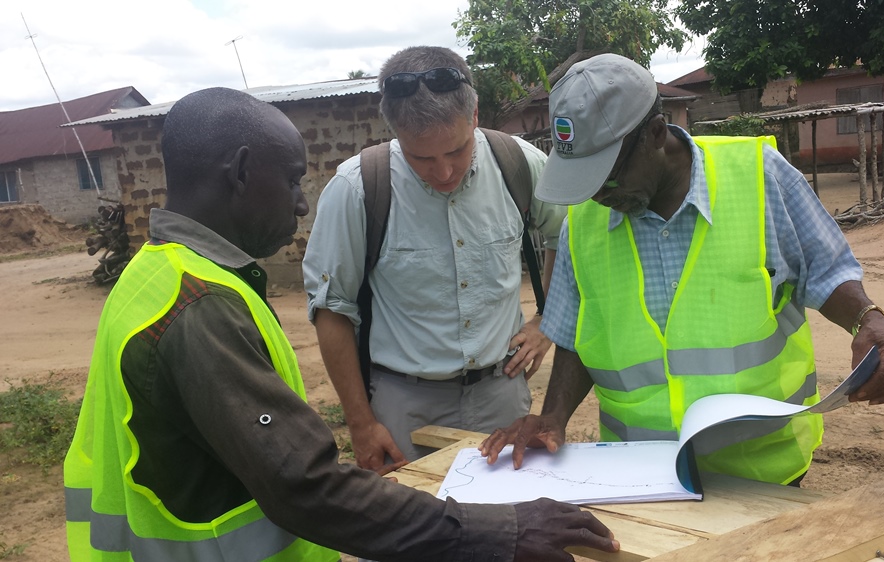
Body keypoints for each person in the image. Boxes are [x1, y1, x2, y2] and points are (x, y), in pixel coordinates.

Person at [62, 86, 619, 561]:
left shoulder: (153, 274)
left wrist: (549, 318)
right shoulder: (198, 305)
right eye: (292, 181)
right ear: (240, 172)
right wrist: (503, 530)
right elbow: (305, 485)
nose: (302, 206)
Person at [479, 54, 884, 486]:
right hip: (641, 475)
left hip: (763, 470)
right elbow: (577, 333)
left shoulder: (759, 177)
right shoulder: (583, 223)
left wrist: (867, 320)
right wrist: (553, 415)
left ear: (655, 133)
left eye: (606, 178)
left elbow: (827, 268)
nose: (597, 197)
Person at [303, 46, 564, 474]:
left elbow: (567, 235)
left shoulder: (519, 165)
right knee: (413, 534)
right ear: (393, 131)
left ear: (474, 115)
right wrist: (361, 424)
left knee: (511, 527)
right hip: (404, 407)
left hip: (502, 395)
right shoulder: (358, 189)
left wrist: (547, 321)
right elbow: (332, 309)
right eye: (421, 158)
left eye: (457, 151)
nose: (443, 172)